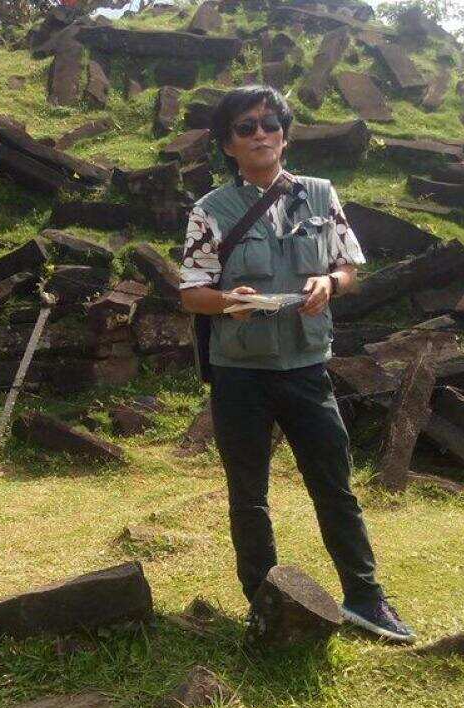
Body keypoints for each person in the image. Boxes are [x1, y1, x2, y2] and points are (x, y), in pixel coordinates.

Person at [178, 85, 415, 643]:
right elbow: (192, 294)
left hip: (307, 367)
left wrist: (328, 283)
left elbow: (348, 268)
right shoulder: (208, 211)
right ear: (228, 144)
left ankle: (365, 597)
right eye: (245, 127)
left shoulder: (320, 195)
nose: (260, 133)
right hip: (239, 373)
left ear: (284, 133)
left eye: (270, 123)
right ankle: (264, 600)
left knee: (334, 484)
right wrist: (228, 301)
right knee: (249, 492)